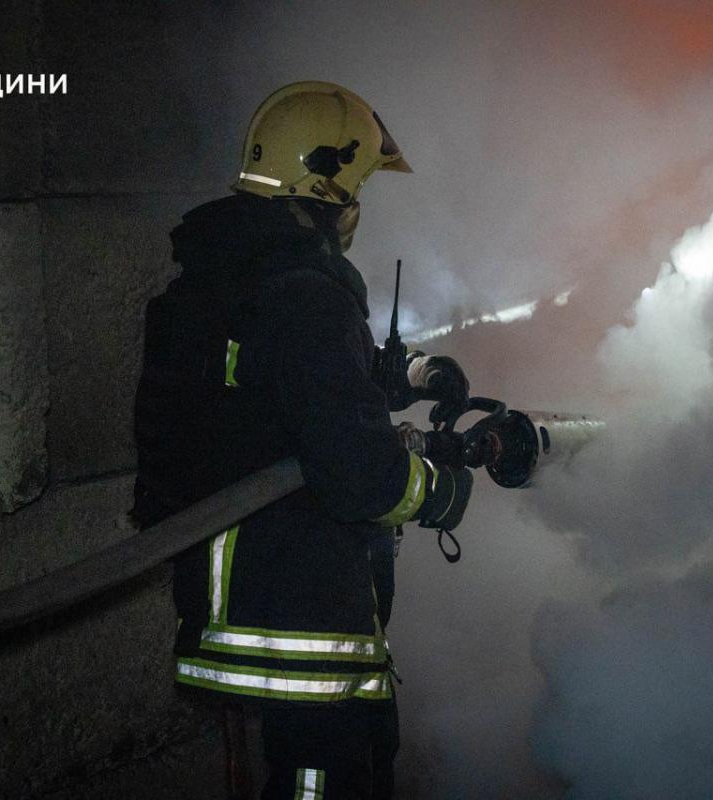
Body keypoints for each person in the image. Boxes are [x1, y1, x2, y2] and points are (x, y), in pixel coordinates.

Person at [132, 81, 474, 799]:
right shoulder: (303, 294)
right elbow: (362, 477)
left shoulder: (211, 286)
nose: (357, 212)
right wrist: (442, 490)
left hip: (230, 596)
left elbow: (269, 401)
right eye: (355, 192)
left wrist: (403, 374)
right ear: (326, 185)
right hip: (293, 611)